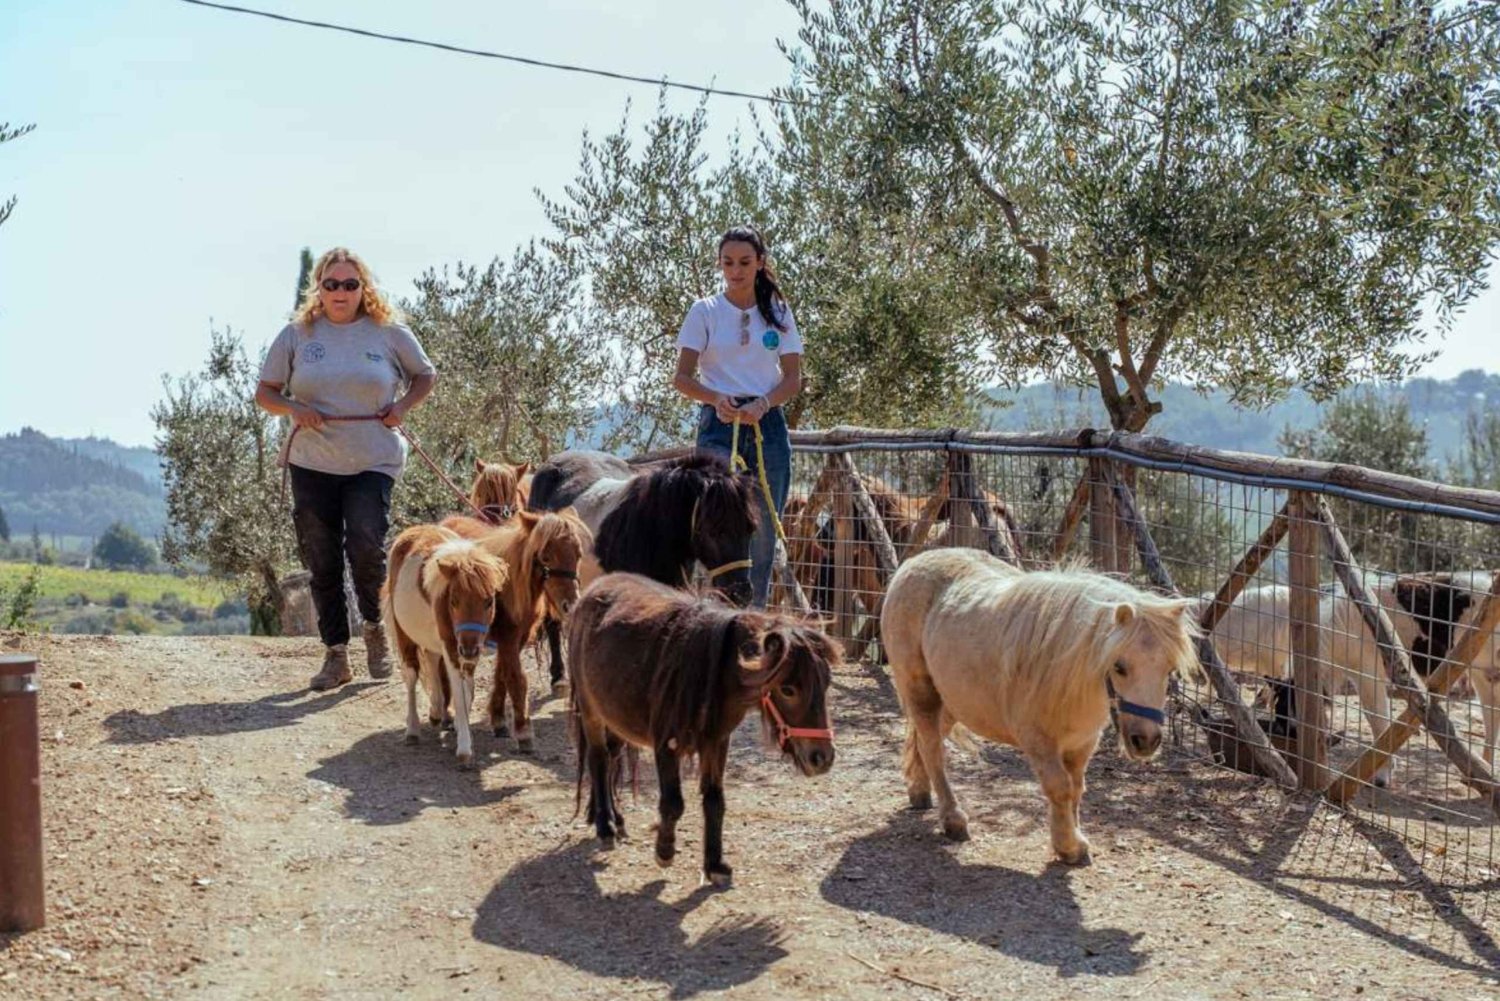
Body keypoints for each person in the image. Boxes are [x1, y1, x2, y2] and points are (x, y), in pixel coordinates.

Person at [255, 247, 436, 690]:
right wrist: (294, 408)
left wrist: (402, 407)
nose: (340, 291)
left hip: (373, 459)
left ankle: (375, 628)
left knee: (365, 542)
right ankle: (336, 654)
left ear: (363, 288)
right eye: (331, 284)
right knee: (322, 558)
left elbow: (425, 376)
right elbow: (265, 393)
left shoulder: (388, 333)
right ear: (318, 288)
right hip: (312, 461)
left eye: (350, 284)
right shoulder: (297, 335)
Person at [672, 225, 803, 608]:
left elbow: (793, 379)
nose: (736, 270)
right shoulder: (705, 311)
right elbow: (681, 377)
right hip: (719, 426)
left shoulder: (778, 313)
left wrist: (763, 403)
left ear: (760, 263)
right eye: (728, 262)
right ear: (720, 264)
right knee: (715, 525)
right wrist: (716, 398)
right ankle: (710, 618)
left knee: (763, 533)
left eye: (745, 262)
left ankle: (753, 620)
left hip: (768, 429)